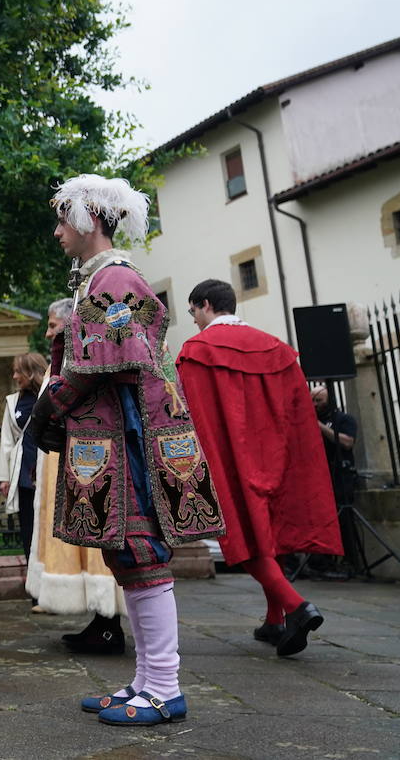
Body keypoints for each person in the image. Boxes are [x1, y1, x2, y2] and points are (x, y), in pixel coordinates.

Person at [28, 174, 225, 727]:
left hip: (130, 436)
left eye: (63, 220)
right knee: (125, 555)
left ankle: (164, 687)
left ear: (89, 218)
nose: (58, 231)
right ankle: (145, 681)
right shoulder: (99, 278)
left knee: (140, 551)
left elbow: (106, 358)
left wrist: (51, 405)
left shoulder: (115, 276)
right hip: (114, 431)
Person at [177, 279, 342, 656]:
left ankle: (296, 607)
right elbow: (298, 414)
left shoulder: (197, 351)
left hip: (231, 457)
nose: (194, 320)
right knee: (269, 531)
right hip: (276, 455)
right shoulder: (278, 350)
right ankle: (274, 620)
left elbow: (190, 414)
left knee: (240, 534)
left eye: (192, 311)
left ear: (205, 305)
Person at [25, 298, 127, 656]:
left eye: (53, 325)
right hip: (70, 464)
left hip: (86, 465)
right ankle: (102, 622)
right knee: (83, 545)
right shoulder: (65, 359)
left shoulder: (81, 360)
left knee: (95, 545)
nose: (47, 332)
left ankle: (109, 625)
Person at [0, 352, 47, 562]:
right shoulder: (13, 402)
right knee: (28, 531)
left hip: (49, 473)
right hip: (24, 476)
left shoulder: (50, 395)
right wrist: (5, 477)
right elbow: (7, 441)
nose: (15, 376)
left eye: (19, 371)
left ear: (31, 372)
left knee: (49, 529)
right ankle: (32, 577)